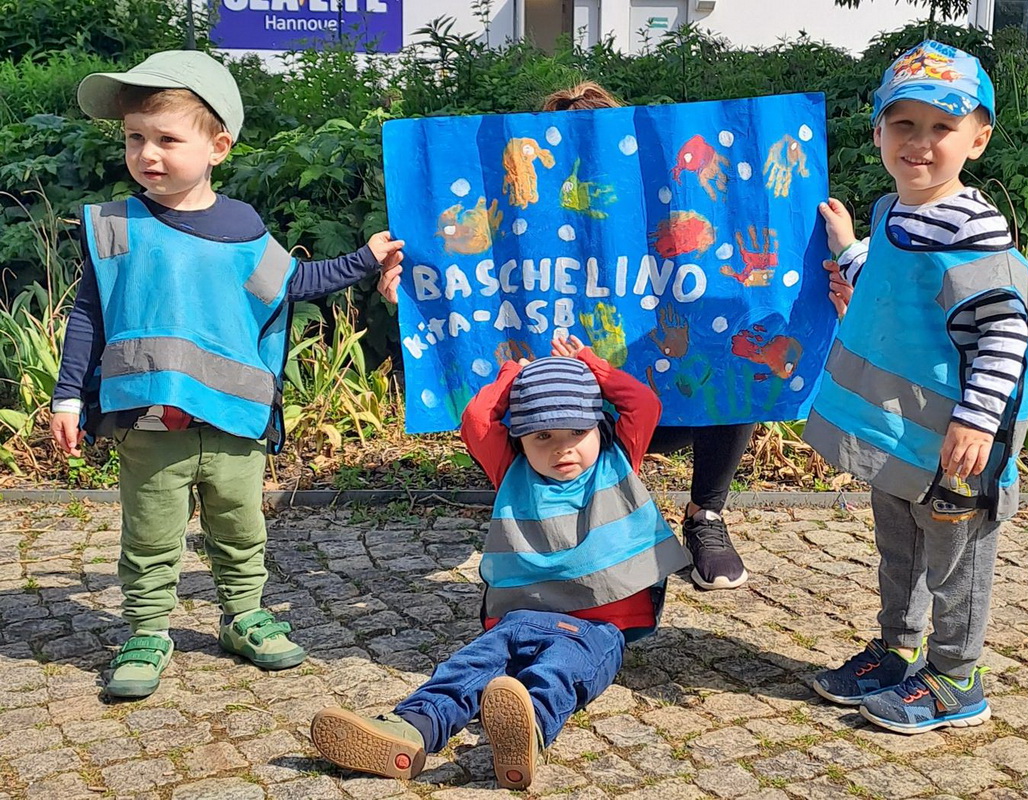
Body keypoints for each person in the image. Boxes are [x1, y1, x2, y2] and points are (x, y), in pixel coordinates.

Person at [49, 50, 405, 699]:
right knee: (150, 533)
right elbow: (88, 313)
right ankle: (147, 630)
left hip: (235, 420)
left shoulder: (243, 229)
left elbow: (294, 284)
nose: (146, 153)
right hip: (149, 422)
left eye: (166, 138)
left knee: (240, 528)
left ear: (218, 144)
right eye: (134, 138)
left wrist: (365, 258)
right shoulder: (116, 226)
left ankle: (244, 615)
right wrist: (68, 394)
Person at [311, 335, 690, 790]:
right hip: (518, 618)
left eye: (576, 433)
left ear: (598, 427)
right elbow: (476, 418)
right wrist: (512, 376)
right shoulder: (510, 469)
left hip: (598, 628)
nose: (562, 448)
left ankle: (524, 736)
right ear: (520, 439)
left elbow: (642, 403)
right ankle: (410, 730)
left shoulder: (618, 458)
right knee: (464, 669)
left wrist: (588, 363)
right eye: (543, 436)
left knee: (557, 674)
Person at [803, 41, 1028, 734]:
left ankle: (956, 677)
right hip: (901, 437)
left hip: (957, 446)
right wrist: (852, 249)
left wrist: (975, 421)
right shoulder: (896, 214)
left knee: (955, 560)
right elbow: (895, 281)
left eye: (942, 127)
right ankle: (897, 649)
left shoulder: (973, 231)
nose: (921, 143)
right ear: (878, 131)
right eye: (904, 124)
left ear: (978, 137)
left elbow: (1001, 333)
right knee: (900, 549)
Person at [541, 82, 755, 592]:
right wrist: (414, 292)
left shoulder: (657, 202)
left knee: (734, 363)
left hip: (658, 407)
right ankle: (558, 515)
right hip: (571, 419)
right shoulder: (537, 222)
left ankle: (705, 517)